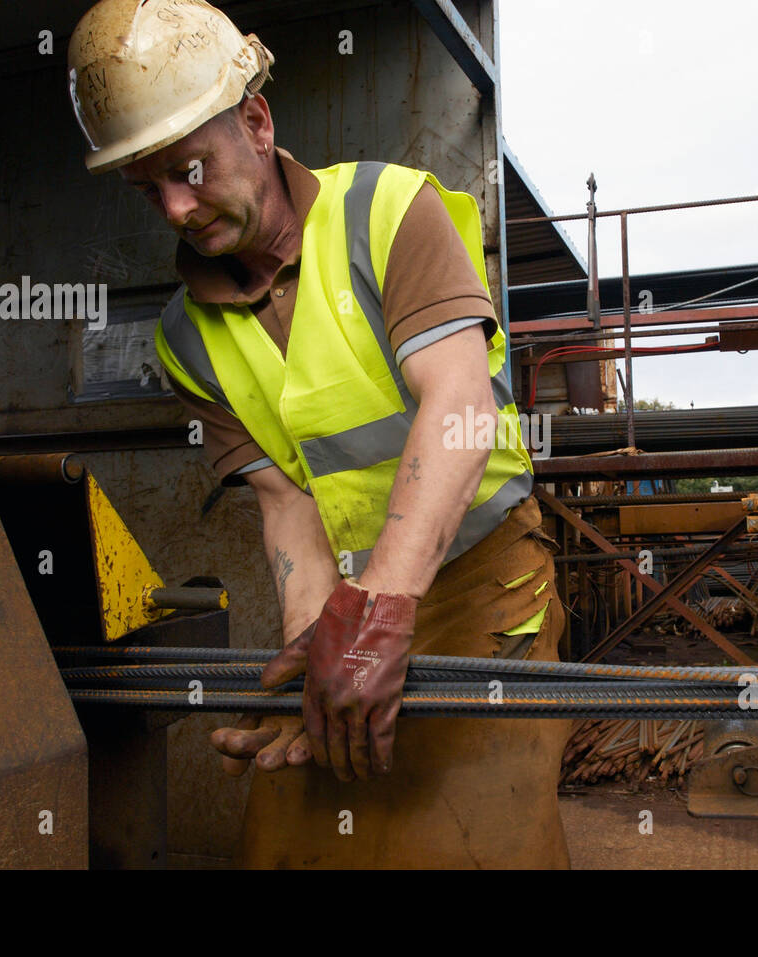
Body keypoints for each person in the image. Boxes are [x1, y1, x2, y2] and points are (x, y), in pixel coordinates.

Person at [67, 0, 570, 868]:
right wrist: (314, 640)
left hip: (486, 590)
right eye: (149, 188)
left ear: (257, 123)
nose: (178, 208)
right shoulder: (185, 340)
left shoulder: (388, 212)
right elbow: (286, 503)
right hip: (350, 601)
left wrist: (378, 613)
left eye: (190, 168)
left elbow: (460, 405)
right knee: (290, 842)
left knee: (473, 844)